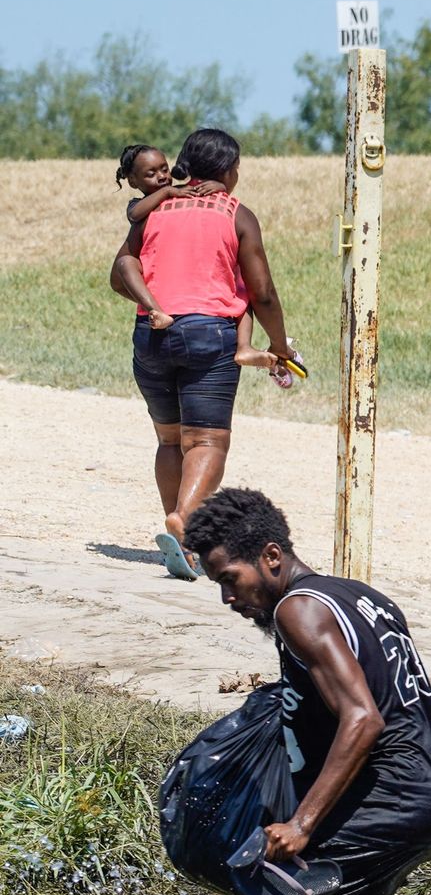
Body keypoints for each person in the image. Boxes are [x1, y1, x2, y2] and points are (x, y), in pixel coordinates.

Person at [184, 488, 431, 895]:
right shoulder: (362, 597)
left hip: (394, 799)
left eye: (230, 580)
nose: (228, 599)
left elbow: (363, 718)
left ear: (271, 556)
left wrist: (302, 823)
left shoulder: (297, 610)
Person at [109, 129, 296, 580]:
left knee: (170, 440)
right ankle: (185, 522)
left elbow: (120, 275)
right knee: (207, 441)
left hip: (152, 334)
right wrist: (279, 345)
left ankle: (181, 541)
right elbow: (263, 292)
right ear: (228, 171)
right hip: (209, 334)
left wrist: (156, 305)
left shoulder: (155, 210)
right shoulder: (236, 213)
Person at [115, 144, 287, 379]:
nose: (162, 177)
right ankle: (242, 346)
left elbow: (116, 282)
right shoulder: (142, 208)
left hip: (155, 340)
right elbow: (134, 215)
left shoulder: (169, 202)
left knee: (167, 418)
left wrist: (219, 188)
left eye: (164, 169)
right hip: (210, 329)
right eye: (151, 174)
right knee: (241, 290)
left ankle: (244, 345)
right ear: (133, 181)